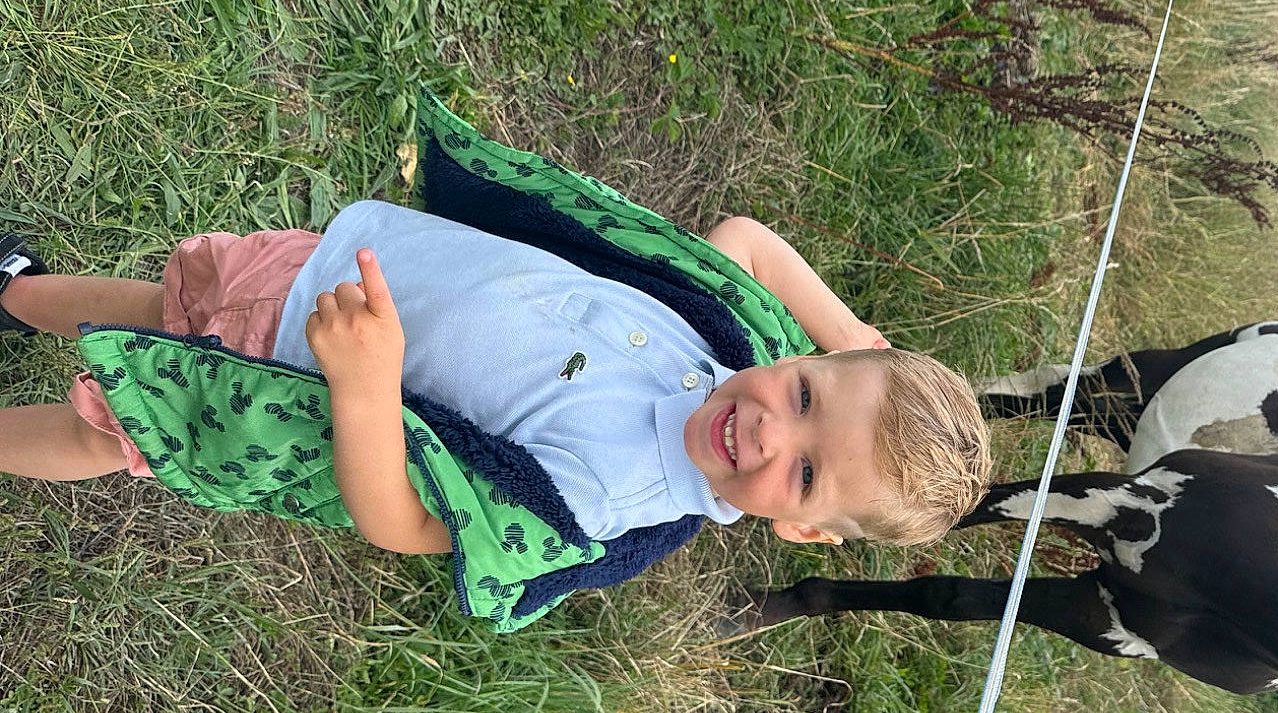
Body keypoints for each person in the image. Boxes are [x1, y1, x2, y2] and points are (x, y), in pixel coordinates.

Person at [0, 91, 991, 630]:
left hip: (282, 385)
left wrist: (363, 382)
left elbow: (402, 522)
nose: (774, 426)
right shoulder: (730, 352)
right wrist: (851, 336)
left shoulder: (605, 508)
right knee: (153, 303)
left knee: (106, 428)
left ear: (807, 535)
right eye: (809, 391)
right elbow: (743, 242)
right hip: (330, 276)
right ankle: (14, 293)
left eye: (806, 472)